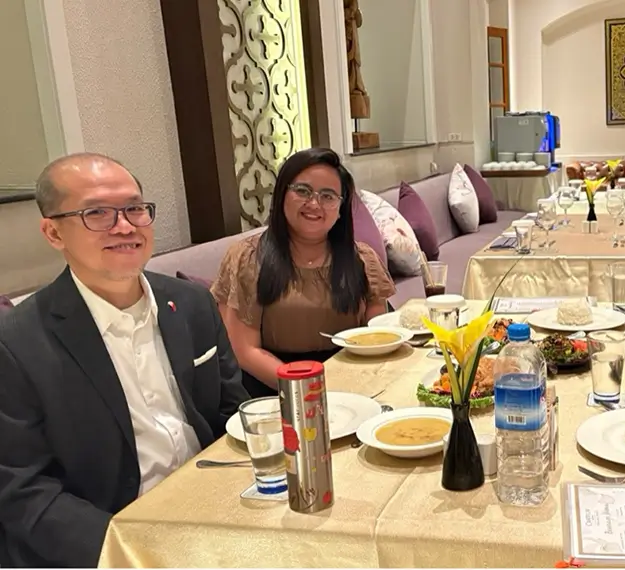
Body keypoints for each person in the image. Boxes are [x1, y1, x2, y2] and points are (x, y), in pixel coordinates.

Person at [0, 153, 249, 568]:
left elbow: (232, 413)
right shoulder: (16, 344)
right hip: (113, 536)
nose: (125, 226)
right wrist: (133, 552)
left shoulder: (190, 304)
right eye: (96, 212)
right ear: (53, 232)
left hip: (212, 508)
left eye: (135, 208)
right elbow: (23, 490)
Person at [212, 148, 395, 398]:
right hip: (273, 389)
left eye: (328, 196)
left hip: (350, 383)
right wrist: (310, 391)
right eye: (303, 191)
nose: (314, 204)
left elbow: (377, 339)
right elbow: (244, 351)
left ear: (341, 208)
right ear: (282, 195)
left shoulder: (362, 259)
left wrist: (354, 389)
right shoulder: (248, 258)